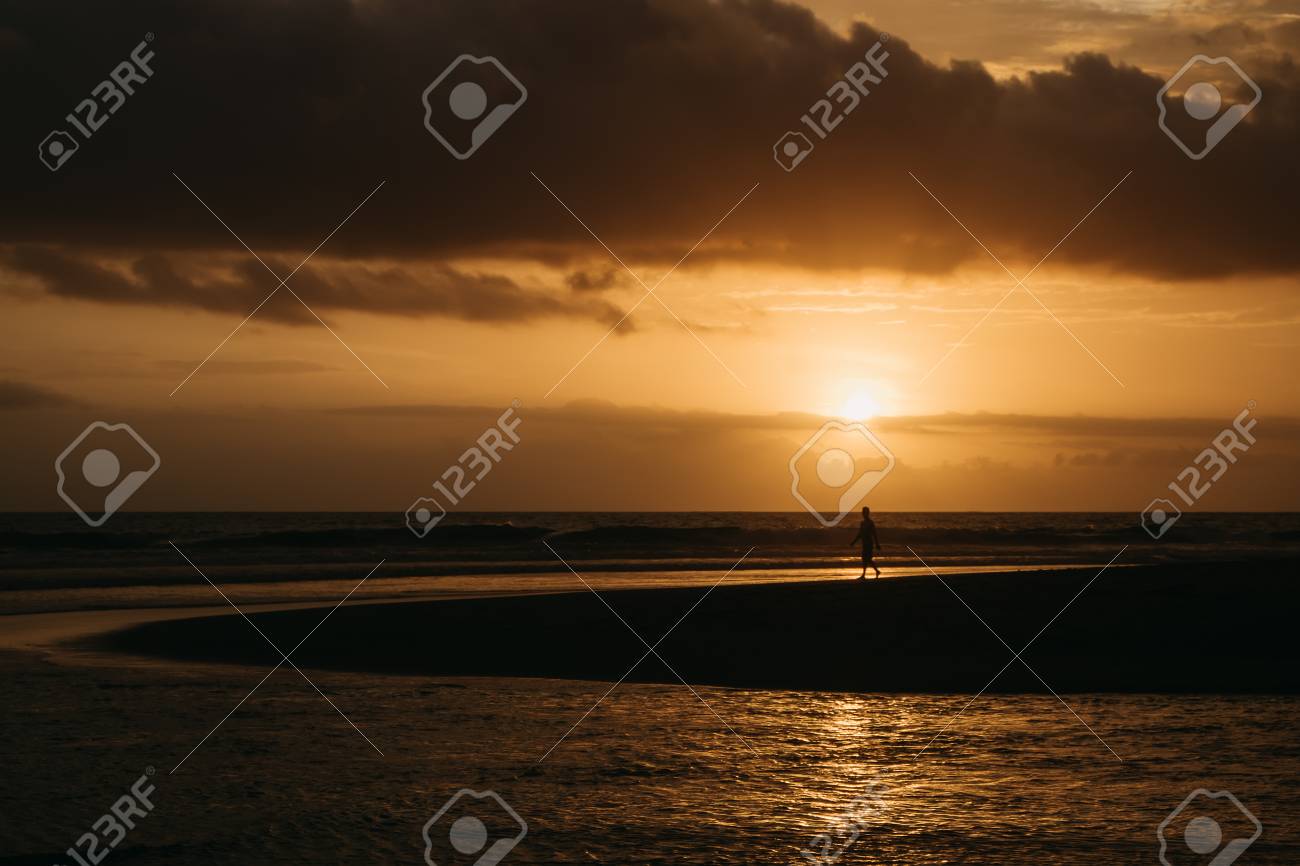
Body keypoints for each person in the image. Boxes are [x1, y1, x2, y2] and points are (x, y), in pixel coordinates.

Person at [849, 507, 882, 580]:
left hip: (869, 543)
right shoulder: (862, 523)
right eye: (863, 512)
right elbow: (860, 534)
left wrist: (877, 544)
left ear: (868, 513)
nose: (864, 514)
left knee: (867, 559)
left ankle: (865, 574)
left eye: (865, 512)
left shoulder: (870, 523)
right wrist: (854, 542)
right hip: (864, 543)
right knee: (865, 559)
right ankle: (875, 571)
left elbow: (874, 533)